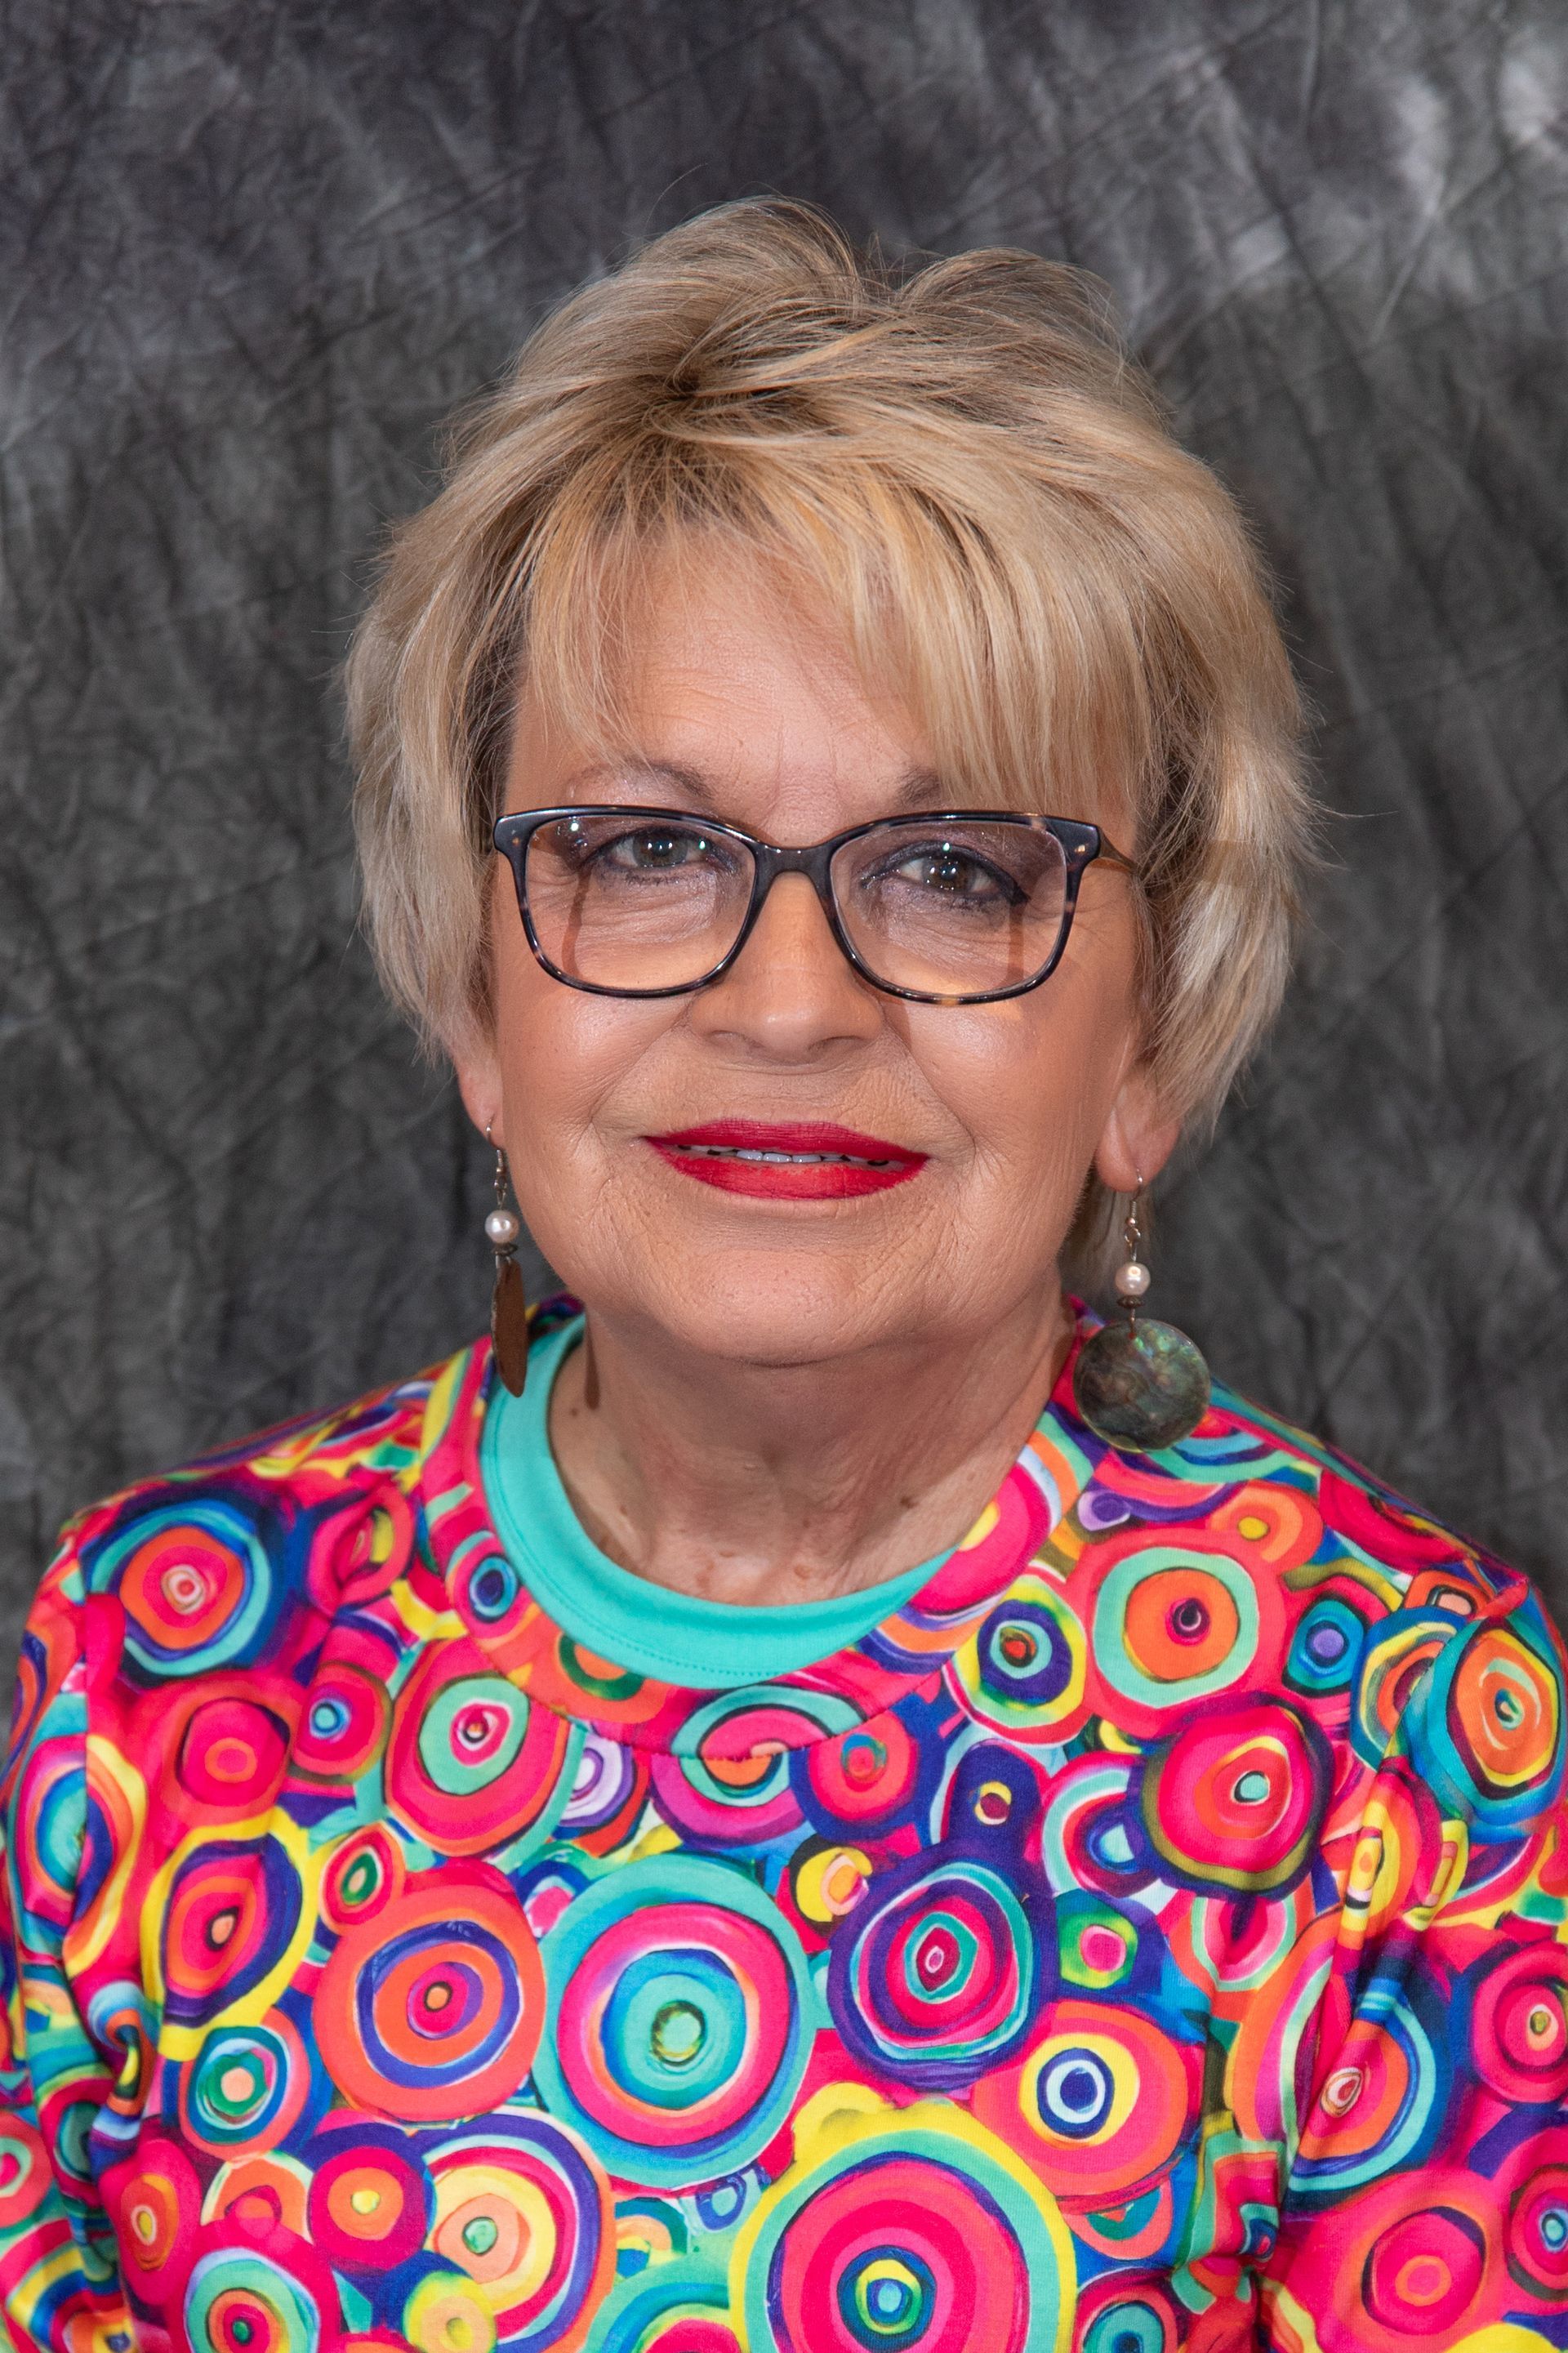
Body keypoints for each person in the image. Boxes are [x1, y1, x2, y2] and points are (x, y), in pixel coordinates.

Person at [2, 201, 1562, 2353]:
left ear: (1151, 1043)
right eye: (650, 848)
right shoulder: (155, 1656)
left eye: (952, 868)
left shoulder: (1411, 1737)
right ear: (475, 996)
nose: (793, 994)